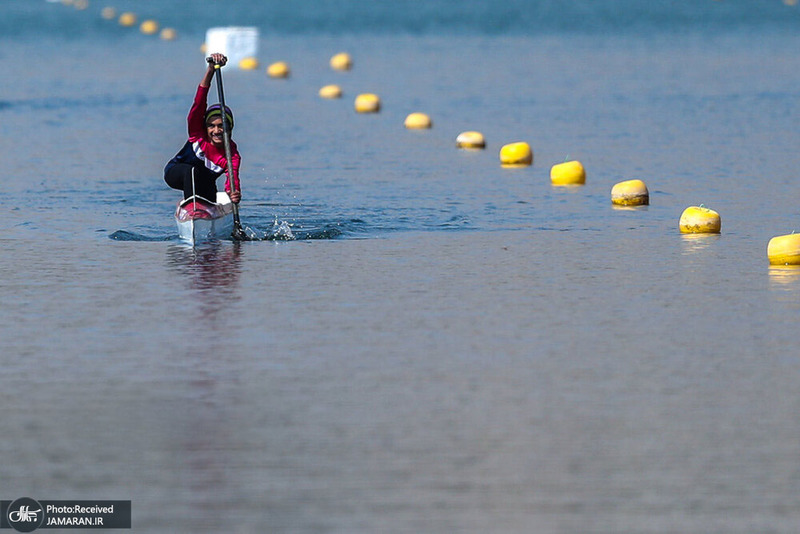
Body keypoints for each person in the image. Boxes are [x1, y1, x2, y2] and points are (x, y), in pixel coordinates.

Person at [164, 53, 242, 205]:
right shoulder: (197, 134)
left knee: (207, 187)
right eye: (211, 126)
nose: (216, 131)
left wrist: (234, 194)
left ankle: (203, 210)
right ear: (205, 128)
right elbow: (199, 101)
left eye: (221, 126)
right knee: (192, 172)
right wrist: (211, 70)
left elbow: (233, 182)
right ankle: (191, 207)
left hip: (204, 184)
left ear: (230, 129)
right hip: (175, 173)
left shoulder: (231, 156)